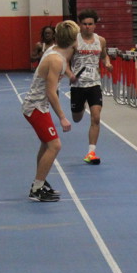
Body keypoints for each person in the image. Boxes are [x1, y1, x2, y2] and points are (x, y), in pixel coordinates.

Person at [21, 20, 79, 202]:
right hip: (36, 106)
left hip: (39, 105)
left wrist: (70, 74)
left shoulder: (57, 52)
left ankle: (40, 181)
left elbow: (64, 62)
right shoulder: (55, 60)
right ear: (74, 40)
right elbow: (50, 92)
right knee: (55, 145)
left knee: (47, 144)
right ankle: (36, 189)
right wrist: (62, 117)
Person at [70, 9, 112, 165]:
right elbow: (65, 60)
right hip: (78, 85)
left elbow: (104, 56)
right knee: (76, 118)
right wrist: (69, 74)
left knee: (96, 117)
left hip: (94, 84)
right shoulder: (74, 41)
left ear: (95, 25)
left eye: (90, 24)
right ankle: (80, 107)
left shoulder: (100, 41)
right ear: (80, 25)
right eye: (84, 24)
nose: (87, 27)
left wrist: (107, 63)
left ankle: (91, 152)